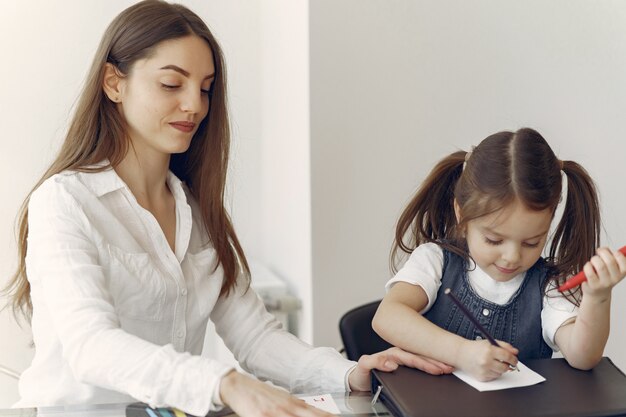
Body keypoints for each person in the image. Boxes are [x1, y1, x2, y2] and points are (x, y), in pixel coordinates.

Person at [2, 1, 453, 416]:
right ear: (114, 83)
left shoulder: (195, 211)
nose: (194, 105)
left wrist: (351, 373)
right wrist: (224, 382)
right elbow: (91, 346)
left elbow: (255, 337)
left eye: (206, 88)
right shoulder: (65, 202)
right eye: (171, 84)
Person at [373, 127, 626, 382]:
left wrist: (598, 297)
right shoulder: (435, 260)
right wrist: (461, 352)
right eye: (494, 240)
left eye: (531, 242)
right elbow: (387, 317)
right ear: (462, 216)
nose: (512, 257)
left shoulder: (549, 286)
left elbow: (583, 358)